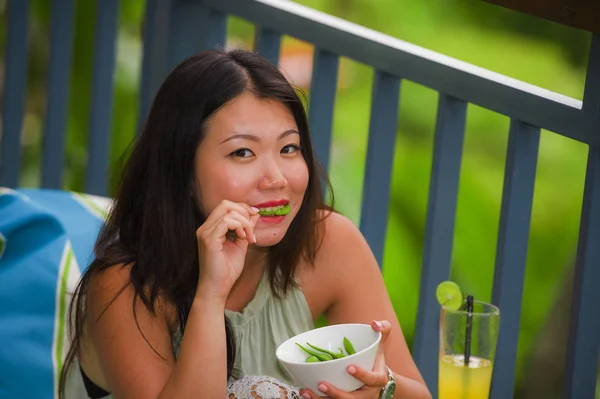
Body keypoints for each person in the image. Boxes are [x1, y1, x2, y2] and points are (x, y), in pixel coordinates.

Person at [59, 48, 431, 399]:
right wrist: (211, 292)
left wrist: (382, 387)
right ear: (182, 172)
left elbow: (417, 392)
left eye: (288, 148)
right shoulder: (126, 285)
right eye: (242, 152)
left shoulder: (329, 241)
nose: (275, 179)